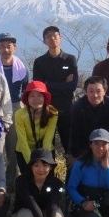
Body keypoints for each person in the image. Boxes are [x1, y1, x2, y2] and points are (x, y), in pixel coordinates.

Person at [0, 32, 29, 192]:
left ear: (15, 47)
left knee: (13, 148)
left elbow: (26, 91)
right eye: (3, 46)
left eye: (9, 46)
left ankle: (11, 186)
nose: (6, 49)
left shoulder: (22, 69)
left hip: (15, 108)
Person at [33, 26, 78, 155]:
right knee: (46, 149)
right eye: (48, 36)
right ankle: (49, 175)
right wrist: (63, 84)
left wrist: (49, 84)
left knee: (70, 149)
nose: (52, 38)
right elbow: (39, 88)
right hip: (47, 110)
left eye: (55, 35)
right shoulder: (39, 62)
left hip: (67, 110)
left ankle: (70, 175)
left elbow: (72, 86)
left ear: (60, 38)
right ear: (44, 41)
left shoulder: (70, 59)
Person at [12, 149, 66, 217]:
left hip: (45, 215)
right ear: (31, 167)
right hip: (23, 215)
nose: (41, 169)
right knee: (29, 216)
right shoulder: (21, 181)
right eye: (36, 165)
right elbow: (31, 204)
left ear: (50, 167)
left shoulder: (56, 183)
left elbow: (53, 205)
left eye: (45, 165)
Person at [69, 76, 109, 161]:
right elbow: (74, 134)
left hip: (103, 146)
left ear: (104, 91)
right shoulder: (77, 108)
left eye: (98, 91)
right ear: (85, 92)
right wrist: (75, 156)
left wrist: (107, 151)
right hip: (83, 147)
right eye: (91, 91)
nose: (95, 95)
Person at [15, 81, 58, 174]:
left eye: (39, 95)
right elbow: (22, 140)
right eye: (32, 96)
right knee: (28, 181)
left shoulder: (53, 113)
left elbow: (48, 138)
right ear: (27, 98)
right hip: (24, 150)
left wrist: (43, 161)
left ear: (44, 97)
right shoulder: (19, 114)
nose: (36, 99)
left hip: (45, 150)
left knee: (47, 180)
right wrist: (31, 163)